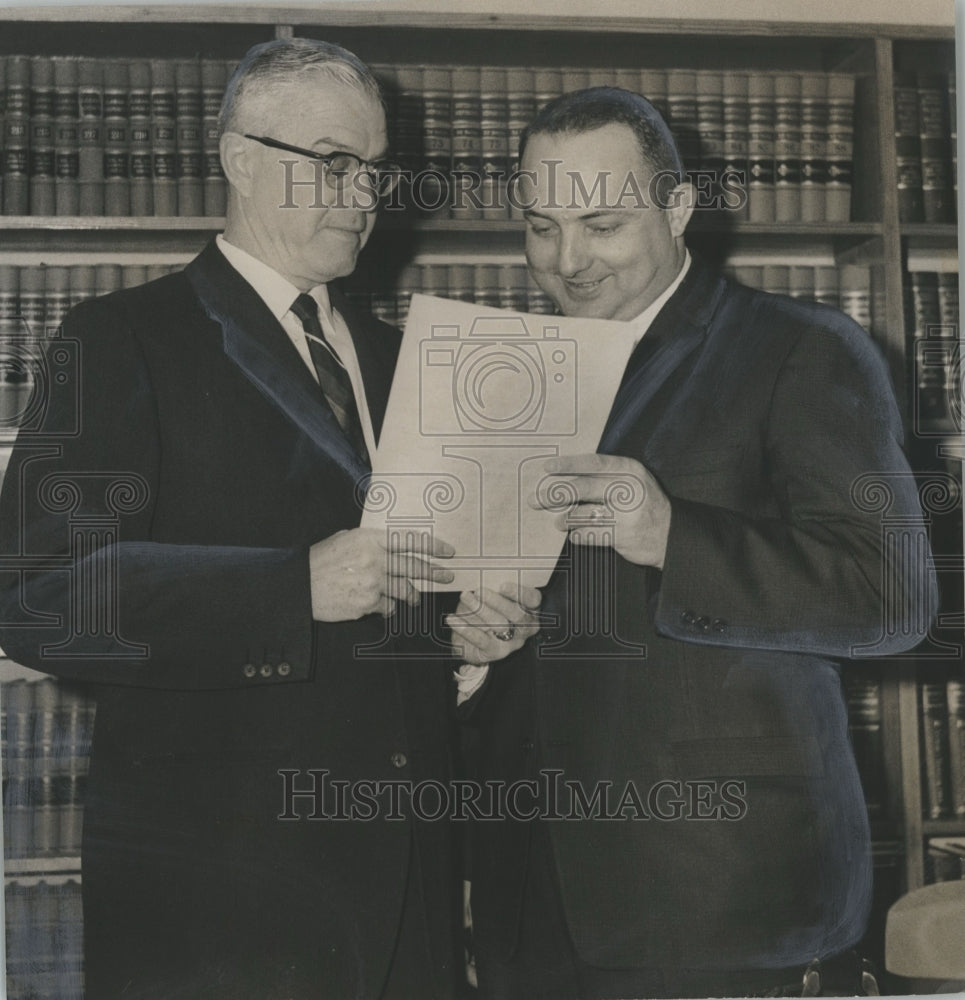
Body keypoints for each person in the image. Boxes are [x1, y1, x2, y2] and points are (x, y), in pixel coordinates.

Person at [448, 87, 939, 1000]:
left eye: (600, 223)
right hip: (530, 897)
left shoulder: (803, 349)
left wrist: (674, 535)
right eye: (541, 225)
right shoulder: (507, 378)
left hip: (719, 895)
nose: (567, 260)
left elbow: (893, 600)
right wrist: (484, 650)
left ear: (676, 209)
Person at [0, 38, 459, 999]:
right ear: (240, 159)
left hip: (407, 895)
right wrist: (286, 589)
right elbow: (37, 600)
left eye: (375, 169)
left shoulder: (406, 356)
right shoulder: (115, 340)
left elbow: (403, 599)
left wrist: (469, 640)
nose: (363, 194)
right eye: (332, 162)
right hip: (220, 908)